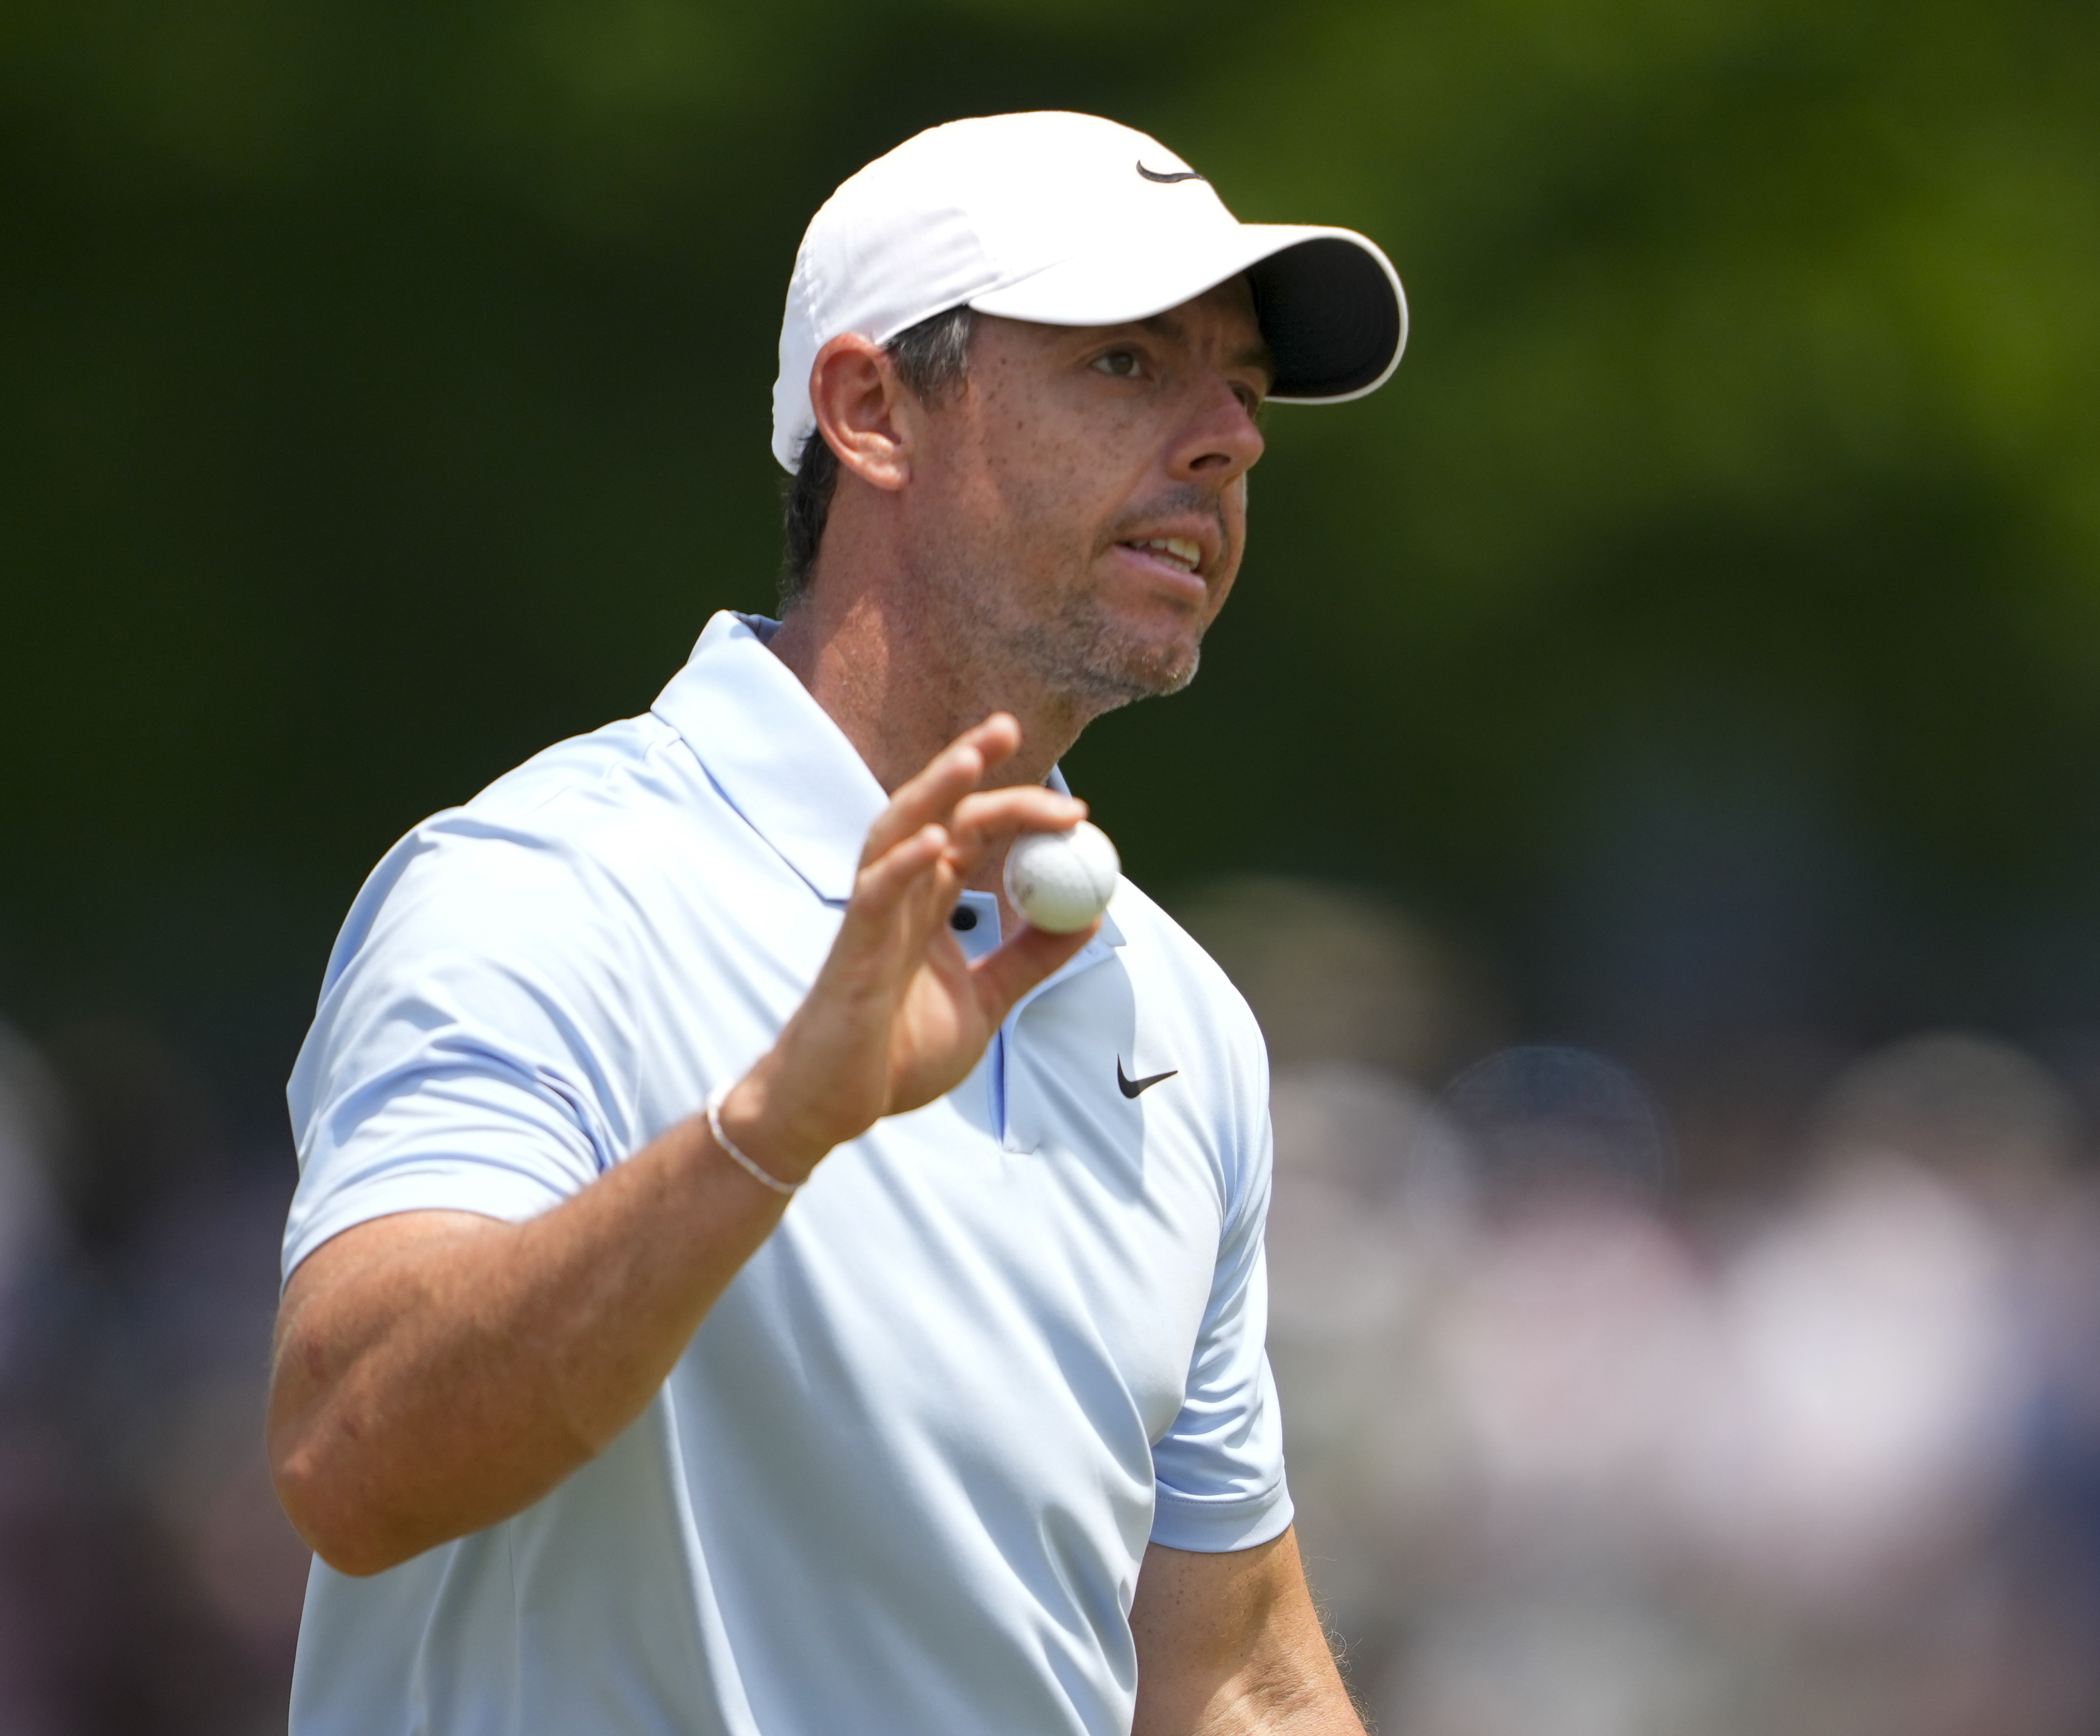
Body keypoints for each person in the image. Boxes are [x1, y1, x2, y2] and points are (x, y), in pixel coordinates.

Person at [264, 111, 1407, 1735]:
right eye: (1129, 366)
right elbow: (349, 1457)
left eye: (1242, 382)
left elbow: (1227, 1675)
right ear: (871, 411)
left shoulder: (1180, 1014)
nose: (1232, 437)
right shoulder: (542, 885)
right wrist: (772, 1131)